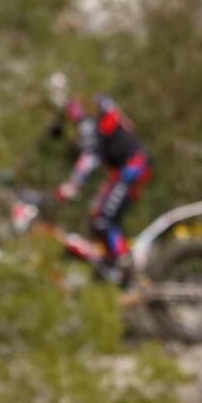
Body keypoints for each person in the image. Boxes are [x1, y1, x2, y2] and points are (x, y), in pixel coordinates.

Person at [51, 84, 152, 287]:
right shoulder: (101, 107)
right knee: (98, 216)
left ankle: (124, 265)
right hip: (127, 169)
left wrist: (72, 185)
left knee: (104, 219)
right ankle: (112, 264)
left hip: (132, 168)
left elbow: (90, 157)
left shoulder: (88, 121)